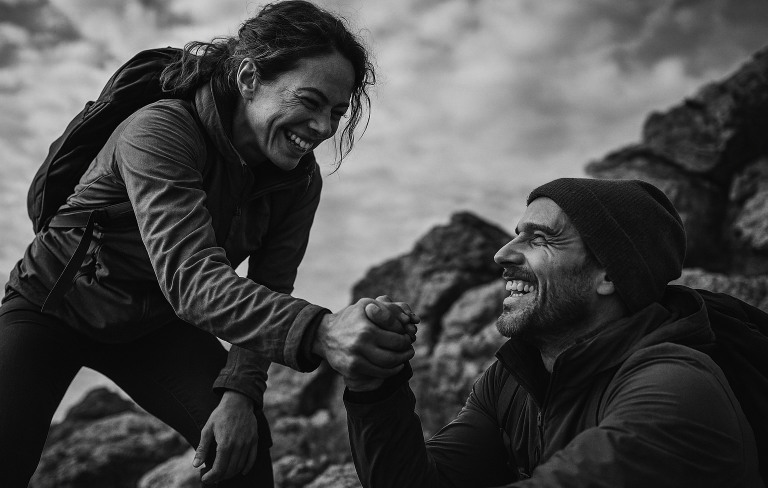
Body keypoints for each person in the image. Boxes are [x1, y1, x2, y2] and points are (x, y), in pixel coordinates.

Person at [0, 2, 417, 486]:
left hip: (153, 324)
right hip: (53, 306)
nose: (324, 127)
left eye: (336, 112)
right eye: (309, 101)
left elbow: (271, 283)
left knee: (244, 447)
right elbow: (192, 279)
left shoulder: (298, 181)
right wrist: (322, 331)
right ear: (247, 77)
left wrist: (240, 395)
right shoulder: (159, 130)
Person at [342, 178, 765, 487]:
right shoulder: (514, 378)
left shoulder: (675, 388)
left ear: (608, 276)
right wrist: (374, 386)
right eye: (515, 236)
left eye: (540, 239)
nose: (502, 254)